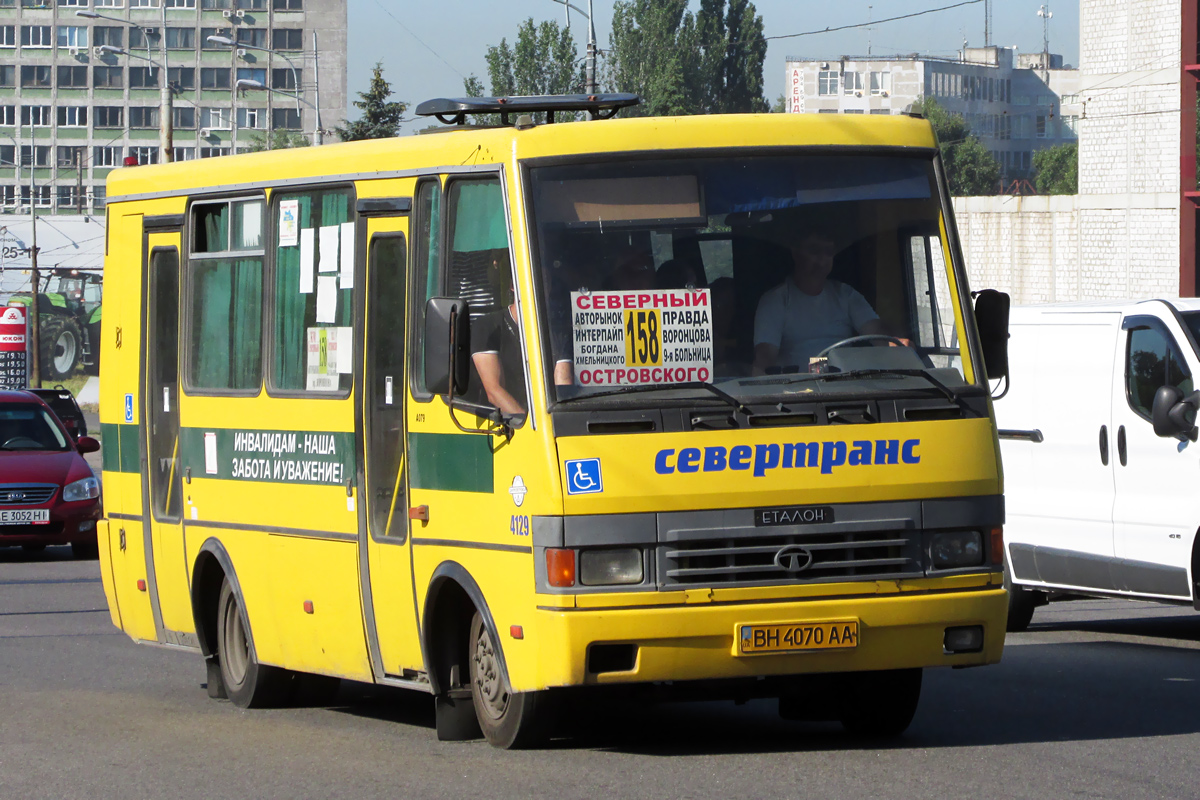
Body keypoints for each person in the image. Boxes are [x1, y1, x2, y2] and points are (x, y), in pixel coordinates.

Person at [752, 231, 892, 374]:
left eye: (828, 252)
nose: (822, 260)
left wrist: (897, 344)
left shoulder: (846, 294)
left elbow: (877, 333)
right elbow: (765, 357)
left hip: (847, 386)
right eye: (814, 251)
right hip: (796, 390)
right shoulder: (775, 300)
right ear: (795, 253)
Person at [471, 279, 527, 417]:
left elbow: (562, 382)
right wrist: (528, 425)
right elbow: (494, 391)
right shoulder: (488, 326)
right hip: (505, 425)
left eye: (547, 281)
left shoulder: (553, 332)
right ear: (513, 286)